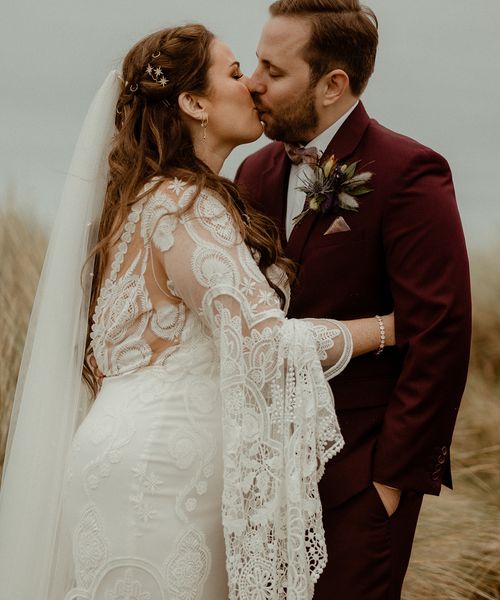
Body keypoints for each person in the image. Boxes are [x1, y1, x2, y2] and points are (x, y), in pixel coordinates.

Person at [0, 24, 396, 600]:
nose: (253, 86)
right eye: (235, 73)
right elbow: (267, 343)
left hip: (123, 452)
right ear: (193, 103)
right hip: (162, 476)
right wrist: (389, 328)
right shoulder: (185, 204)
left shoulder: (141, 202)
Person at [235, 1, 472, 598]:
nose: (253, 83)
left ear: (333, 85)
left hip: (359, 479)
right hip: (260, 482)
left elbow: (439, 333)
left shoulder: (409, 173)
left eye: (273, 69)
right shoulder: (253, 173)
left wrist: (389, 484)